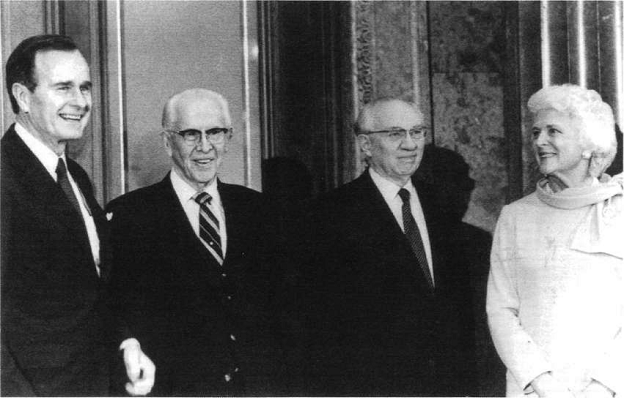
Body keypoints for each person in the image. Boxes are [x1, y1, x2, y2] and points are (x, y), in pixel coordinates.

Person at [0, 34, 153, 396]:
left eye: (85, 88)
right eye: (63, 88)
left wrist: (126, 342)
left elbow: (92, 286)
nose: (81, 102)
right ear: (23, 97)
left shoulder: (76, 176)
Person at [106, 89, 281, 396]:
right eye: (190, 134)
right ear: (167, 142)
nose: (205, 147)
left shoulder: (261, 211)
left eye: (215, 132)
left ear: (228, 137)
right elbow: (115, 314)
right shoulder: (128, 217)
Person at [300, 98, 476, 396]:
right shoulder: (328, 215)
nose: (411, 144)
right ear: (366, 145)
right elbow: (321, 329)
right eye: (396, 134)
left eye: (417, 132)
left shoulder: (441, 208)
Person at [487, 84, 623, 397]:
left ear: (588, 143)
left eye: (553, 131)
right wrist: (543, 384)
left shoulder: (620, 211)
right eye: (536, 132)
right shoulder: (514, 217)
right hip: (535, 390)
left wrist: (603, 387)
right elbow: (501, 310)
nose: (539, 141)